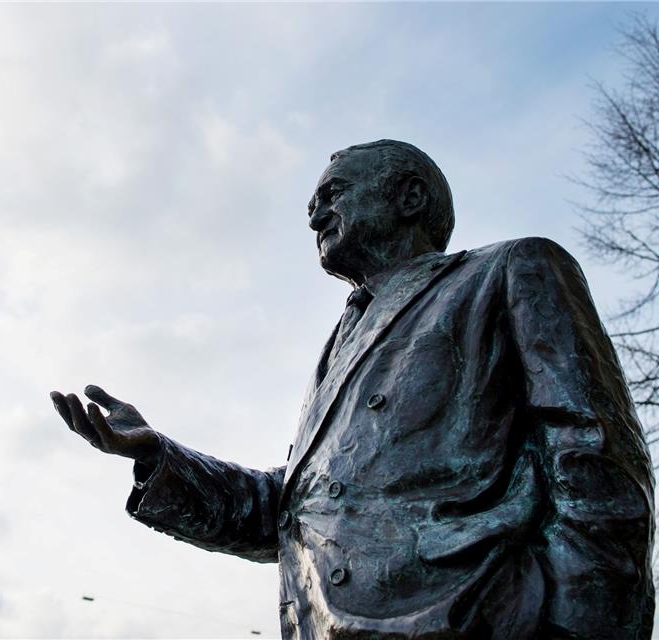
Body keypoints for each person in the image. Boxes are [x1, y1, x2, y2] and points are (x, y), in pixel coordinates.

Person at [50, 140, 655, 639]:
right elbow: (289, 508)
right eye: (312, 206)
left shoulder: (508, 271)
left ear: (409, 197)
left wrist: (584, 621)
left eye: (332, 195)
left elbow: (594, 452)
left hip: (476, 618)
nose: (315, 217)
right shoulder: (338, 345)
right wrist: (158, 455)